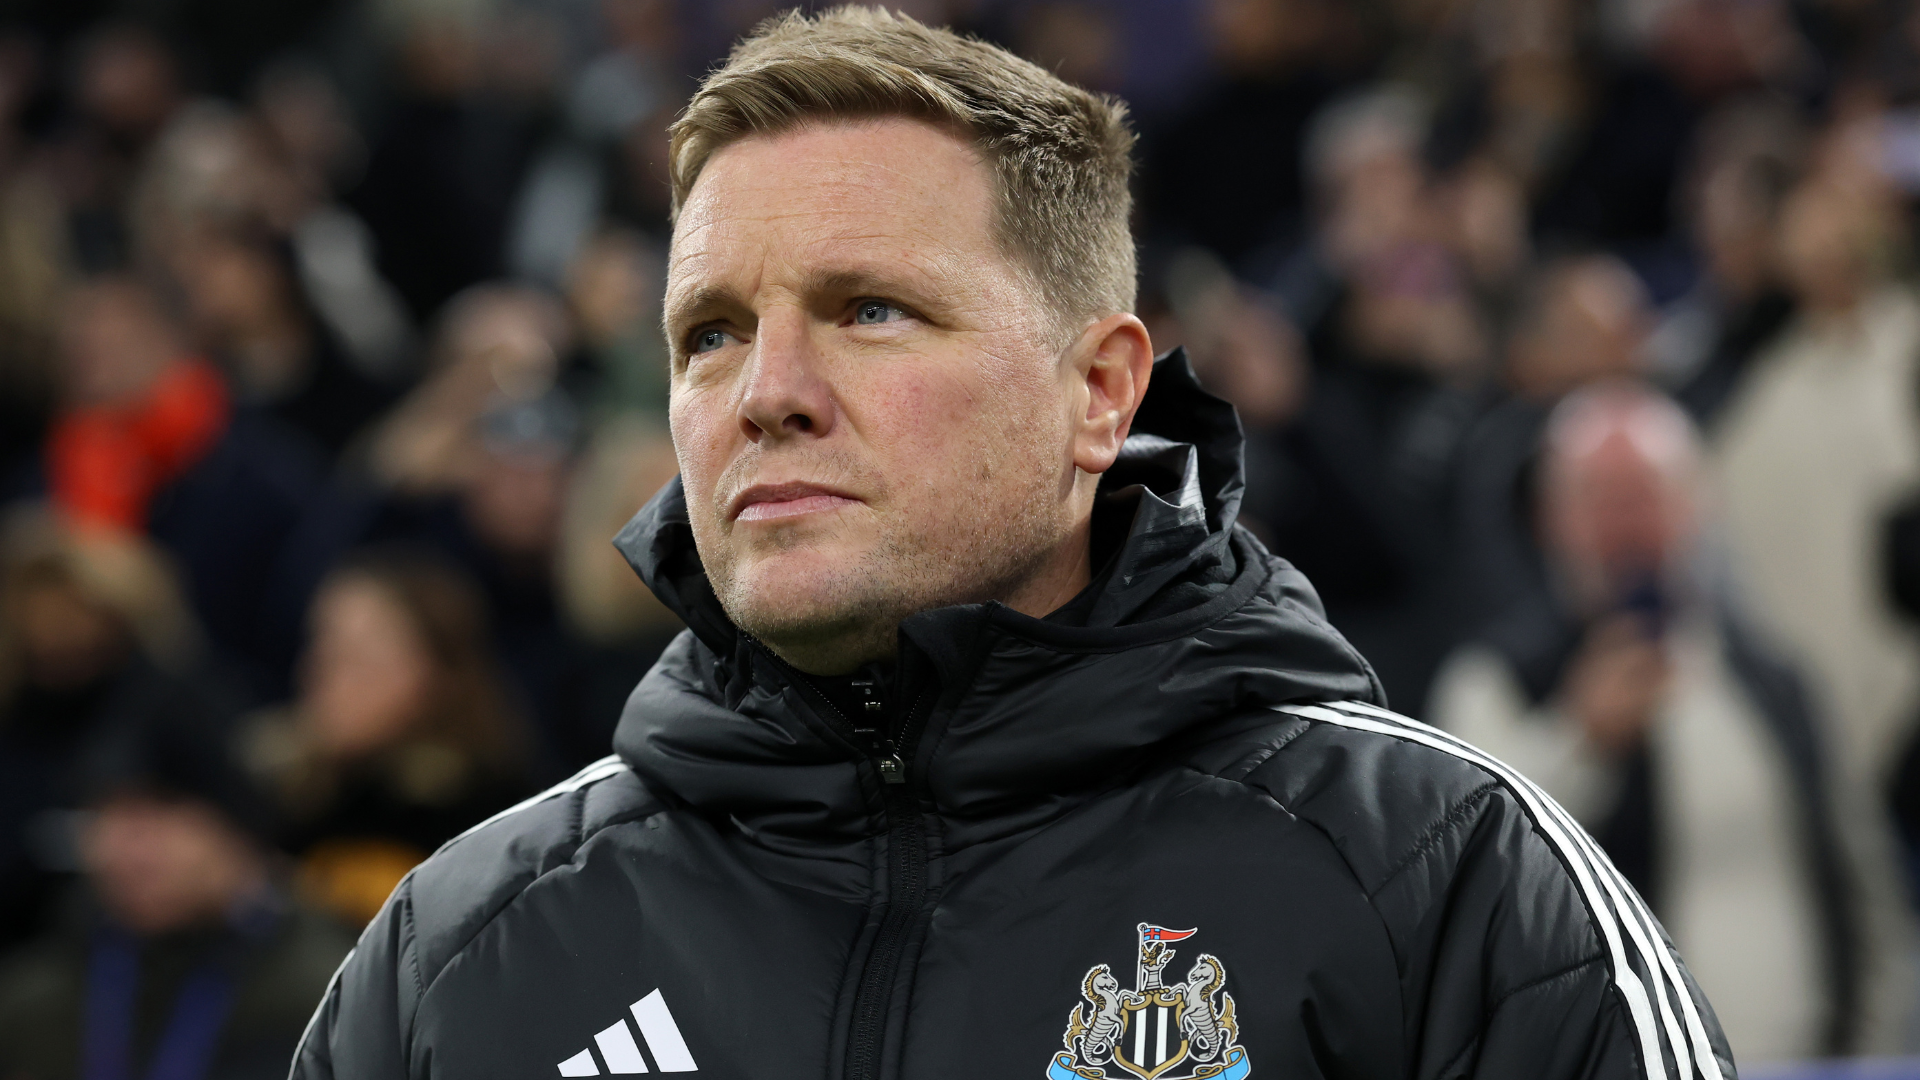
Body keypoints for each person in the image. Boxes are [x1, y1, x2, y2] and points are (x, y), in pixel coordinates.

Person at [292, 11, 1731, 1080]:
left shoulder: (1445, 880)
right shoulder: (459, 960)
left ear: (1101, 391)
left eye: (869, 309)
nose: (765, 392)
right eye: (710, 333)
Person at [1429, 383, 1870, 1062]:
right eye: (1600, 497)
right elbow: (1464, 888)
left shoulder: (1774, 679)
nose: (1627, 522)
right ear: (1551, 520)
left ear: (1696, 506)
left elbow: (1858, 879)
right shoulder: (1494, 681)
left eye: (1646, 493)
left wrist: (1866, 1043)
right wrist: (1580, 740)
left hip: (1801, 1058)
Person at [0, 693, 354, 1080]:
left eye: (162, 814)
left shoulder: (329, 999)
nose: (130, 849)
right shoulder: (33, 1004)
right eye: (110, 813)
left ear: (238, 830)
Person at [242, 551, 533, 926]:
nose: (320, 673)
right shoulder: (264, 794)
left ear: (438, 674)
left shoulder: (489, 821)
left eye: (357, 656)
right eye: (320, 646)